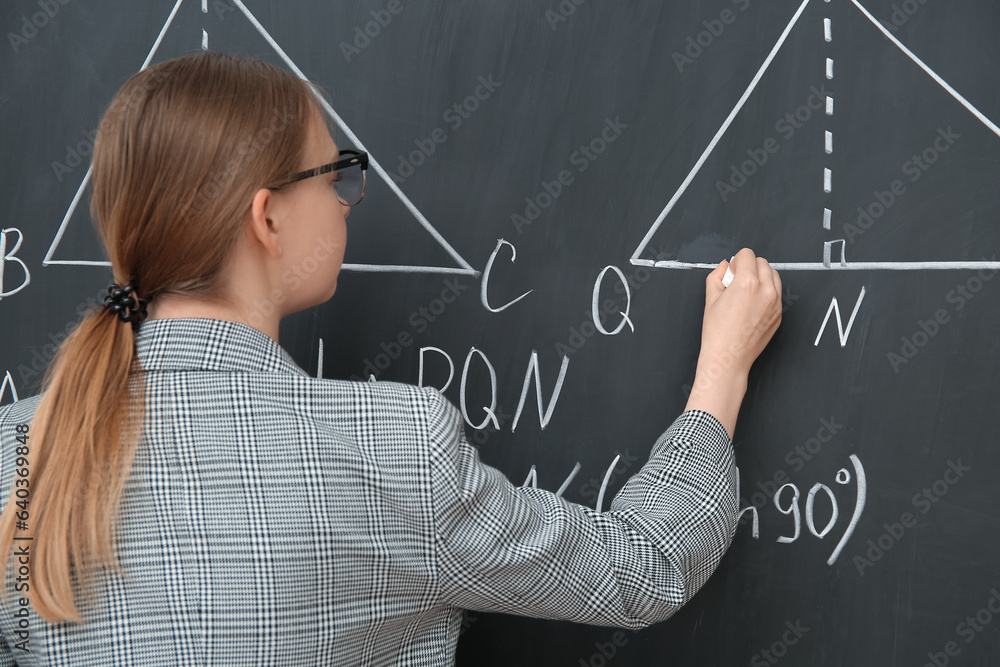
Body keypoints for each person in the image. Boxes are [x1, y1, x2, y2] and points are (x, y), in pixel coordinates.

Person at [0, 52, 781, 665]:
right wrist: (724, 369)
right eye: (333, 173)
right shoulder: (390, 449)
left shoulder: (17, 452)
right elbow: (642, 570)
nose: (345, 196)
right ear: (266, 218)